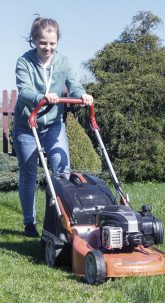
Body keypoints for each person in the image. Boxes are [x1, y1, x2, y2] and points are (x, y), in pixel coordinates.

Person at [13, 15, 93, 237]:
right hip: (27, 126)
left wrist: (82, 95)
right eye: (42, 43)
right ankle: (29, 223)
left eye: (52, 43)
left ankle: (58, 220)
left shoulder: (63, 62)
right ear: (34, 41)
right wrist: (43, 96)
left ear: (57, 42)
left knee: (62, 171)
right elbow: (24, 91)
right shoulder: (24, 62)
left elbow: (74, 85)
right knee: (28, 173)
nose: (47, 47)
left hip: (54, 125)